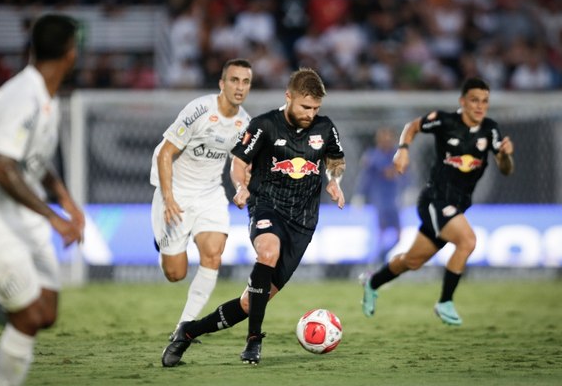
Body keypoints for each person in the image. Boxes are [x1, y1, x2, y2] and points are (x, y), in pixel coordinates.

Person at [161, 67, 346, 367]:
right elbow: (238, 161)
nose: (311, 113)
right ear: (289, 97)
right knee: (268, 251)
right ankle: (254, 341)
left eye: (316, 108)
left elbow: (335, 160)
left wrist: (334, 181)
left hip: (303, 223)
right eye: (305, 106)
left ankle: (188, 332)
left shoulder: (325, 128)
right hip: (267, 206)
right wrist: (241, 187)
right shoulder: (264, 126)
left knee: (249, 303)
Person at [0, 13, 84, 386]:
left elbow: (36, 163)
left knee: (46, 312)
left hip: (19, 211)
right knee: (27, 316)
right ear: (70, 53)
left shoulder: (47, 97)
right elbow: (2, 167)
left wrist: (67, 201)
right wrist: (54, 217)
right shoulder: (21, 94)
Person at [360, 77, 514, 326]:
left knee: (412, 260)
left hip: (458, 205)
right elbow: (412, 126)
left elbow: (506, 169)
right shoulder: (445, 121)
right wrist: (403, 150)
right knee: (468, 240)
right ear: (462, 101)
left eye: (485, 101)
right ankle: (445, 302)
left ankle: (372, 282)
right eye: (474, 100)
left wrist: (506, 156)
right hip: (435, 200)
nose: (480, 106)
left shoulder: (490, 130)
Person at [150, 58, 252, 337]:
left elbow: (238, 164)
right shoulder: (199, 110)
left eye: (245, 82)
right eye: (234, 80)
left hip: (209, 192)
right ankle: (163, 241)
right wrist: (169, 198)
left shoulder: (246, 124)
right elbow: (165, 153)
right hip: (176, 192)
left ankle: (184, 328)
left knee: (213, 255)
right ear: (222, 84)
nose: (240, 87)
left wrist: (241, 186)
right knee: (176, 274)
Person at [352, 127, 406, 264]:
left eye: (388, 137)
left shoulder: (398, 155)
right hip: (380, 200)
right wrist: (359, 195)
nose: (385, 140)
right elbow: (365, 178)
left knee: (398, 236)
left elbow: (406, 175)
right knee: (380, 233)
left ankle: (382, 256)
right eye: (382, 137)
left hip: (394, 199)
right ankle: (378, 262)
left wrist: (409, 190)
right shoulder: (372, 156)